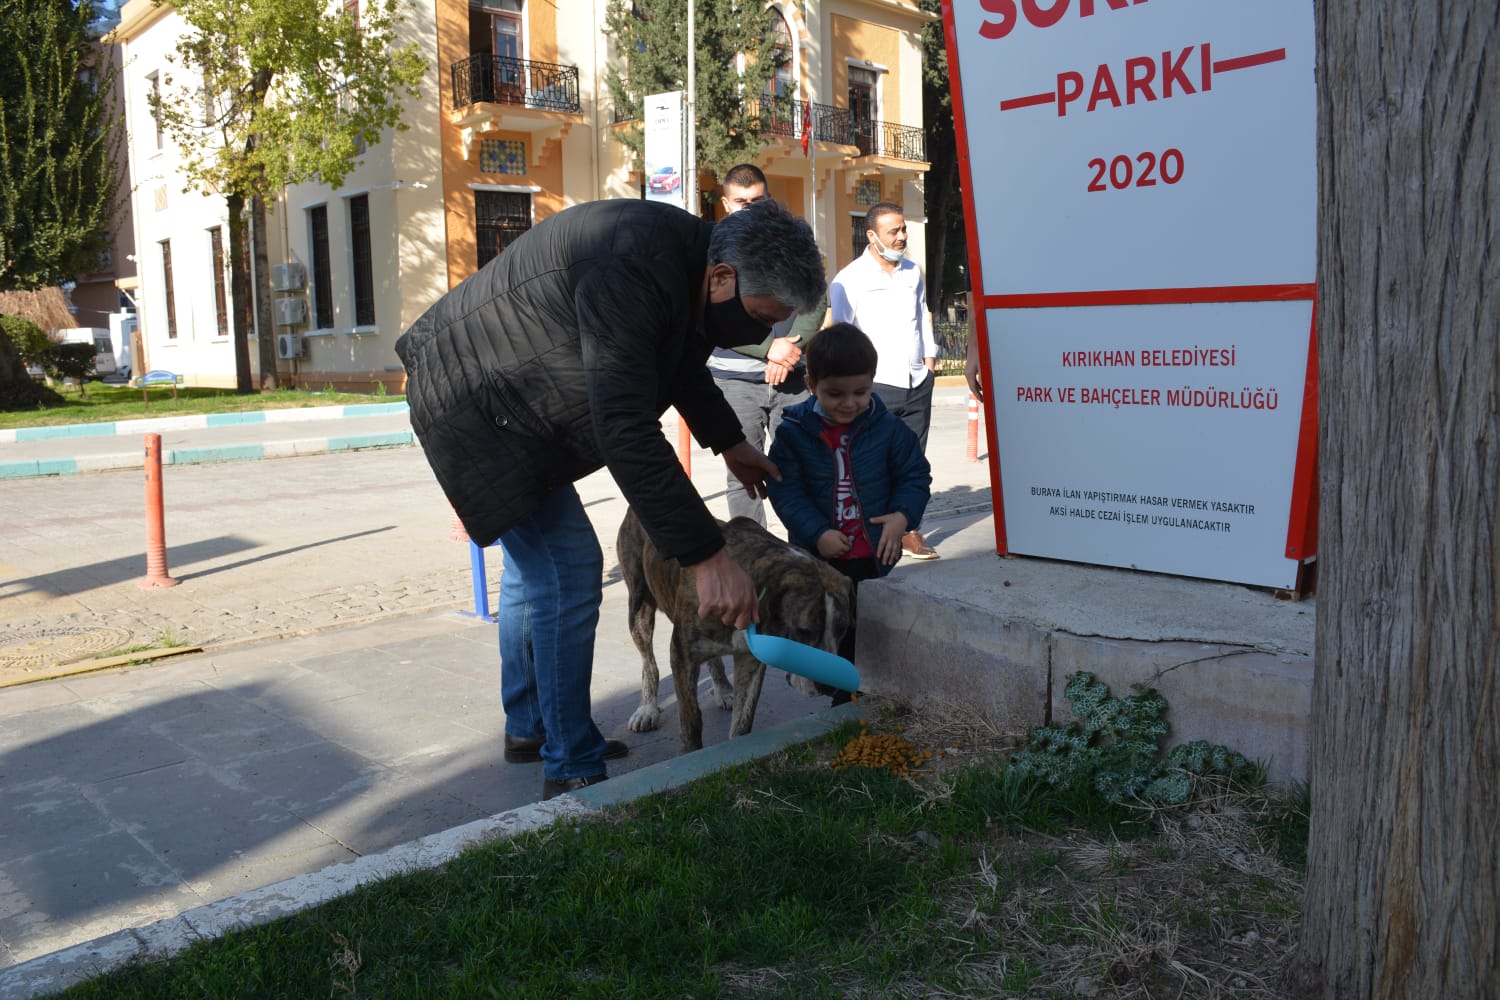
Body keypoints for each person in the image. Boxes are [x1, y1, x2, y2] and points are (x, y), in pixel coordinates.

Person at [396, 198, 825, 800]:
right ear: (724, 277)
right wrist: (707, 556)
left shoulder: (684, 263)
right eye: (761, 316)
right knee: (568, 566)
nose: (763, 334)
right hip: (477, 402)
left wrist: (730, 442)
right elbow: (623, 424)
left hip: (500, 397)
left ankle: (532, 728)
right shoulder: (634, 266)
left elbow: (676, 363)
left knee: (533, 573)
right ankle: (570, 762)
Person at [765, 323, 932, 703]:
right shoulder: (793, 432)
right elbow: (786, 490)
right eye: (834, 393)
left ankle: (851, 698)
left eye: (861, 392)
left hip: (871, 558)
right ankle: (834, 688)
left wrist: (902, 517)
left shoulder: (888, 429)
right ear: (811, 384)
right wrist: (816, 532)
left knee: (863, 629)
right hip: (820, 559)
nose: (849, 403)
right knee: (825, 627)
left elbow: (915, 476)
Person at [709, 163, 828, 525]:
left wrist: (790, 351)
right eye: (741, 201)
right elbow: (710, 314)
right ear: (727, 204)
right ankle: (755, 556)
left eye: (757, 200)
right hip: (734, 380)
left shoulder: (790, 238)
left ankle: (808, 551)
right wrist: (767, 349)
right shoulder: (715, 247)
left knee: (804, 467)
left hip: (792, 378)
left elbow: (816, 294)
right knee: (744, 474)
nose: (749, 208)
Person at [828, 202, 941, 559]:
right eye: (894, 231)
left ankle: (908, 531)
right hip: (878, 386)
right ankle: (870, 533)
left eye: (904, 229)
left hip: (916, 380)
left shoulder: (912, 272)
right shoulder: (848, 280)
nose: (902, 236)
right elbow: (843, 336)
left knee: (913, 460)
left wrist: (930, 360)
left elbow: (923, 315)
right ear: (872, 235)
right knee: (872, 463)